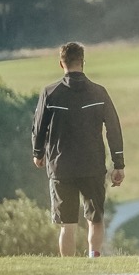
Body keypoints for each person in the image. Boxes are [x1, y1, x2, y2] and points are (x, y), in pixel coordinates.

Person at [32, 42, 125, 257]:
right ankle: (94, 257)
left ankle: (70, 269)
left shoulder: (50, 93)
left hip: (61, 167)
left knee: (67, 224)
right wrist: (118, 164)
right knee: (96, 218)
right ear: (83, 62)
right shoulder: (99, 93)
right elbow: (113, 129)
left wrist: (38, 154)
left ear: (60, 64)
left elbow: (39, 128)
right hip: (92, 165)